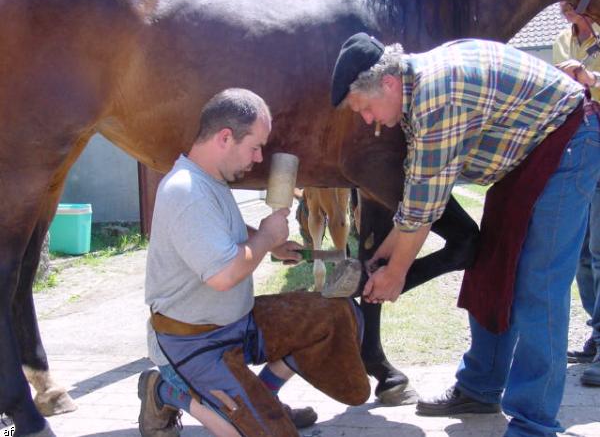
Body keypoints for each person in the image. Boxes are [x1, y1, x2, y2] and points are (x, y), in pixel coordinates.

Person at [331, 33, 600, 436]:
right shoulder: (414, 89)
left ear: (387, 83)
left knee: (537, 285)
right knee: (489, 267)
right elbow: (415, 194)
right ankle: (481, 387)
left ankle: (534, 421)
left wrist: (396, 273)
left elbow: (425, 207)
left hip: (567, 146)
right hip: (526, 158)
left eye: (365, 108)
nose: (367, 120)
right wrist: (383, 257)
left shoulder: (437, 96)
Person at [138, 88, 370, 437]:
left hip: (239, 324)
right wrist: (264, 238)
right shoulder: (185, 190)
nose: (260, 158)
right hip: (194, 345)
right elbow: (223, 275)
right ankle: (165, 390)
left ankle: (265, 398)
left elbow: (218, 229)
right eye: (255, 147)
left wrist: (271, 246)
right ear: (225, 137)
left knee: (336, 315)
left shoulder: (209, 182)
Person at [553, 0, 600, 386]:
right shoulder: (559, 41)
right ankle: (596, 334)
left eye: (572, 5)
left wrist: (590, 77)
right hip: (580, 146)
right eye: (563, 6)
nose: (566, 11)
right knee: (583, 254)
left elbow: (589, 83)